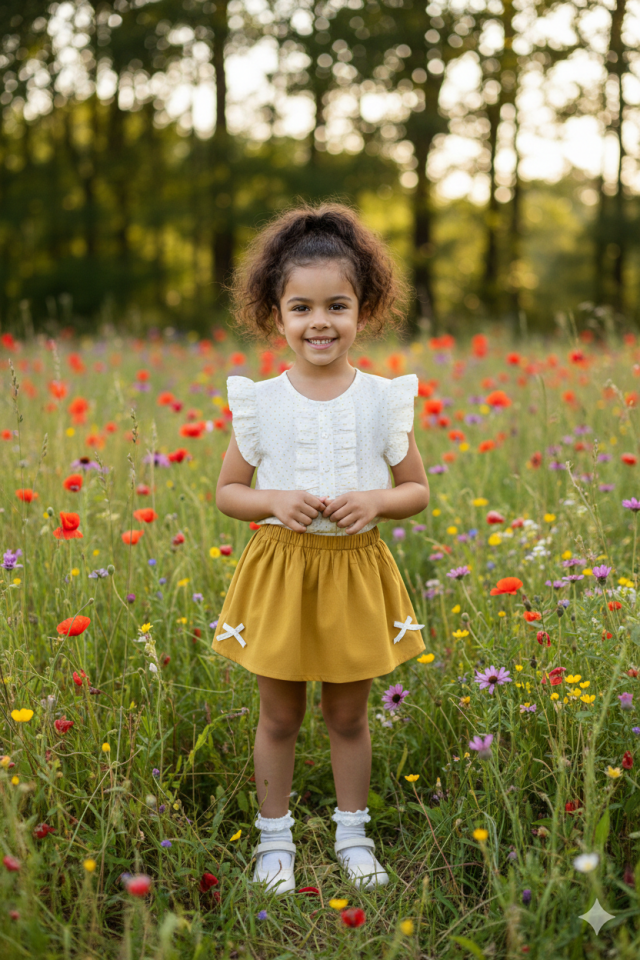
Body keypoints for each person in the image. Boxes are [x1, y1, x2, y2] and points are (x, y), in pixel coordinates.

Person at [213, 202, 430, 895]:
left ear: (363, 310)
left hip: (353, 573)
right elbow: (228, 492)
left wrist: (377, 501)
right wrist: (274, 502)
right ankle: (274, 841)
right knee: (279, 714)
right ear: (275, 314)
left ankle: (352, 833)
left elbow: (417, 489)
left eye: (337, 305)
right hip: (282, 571)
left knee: (348, 714)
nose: (320, 322)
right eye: (301, 307)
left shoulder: (381, 401)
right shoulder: (262, 403)